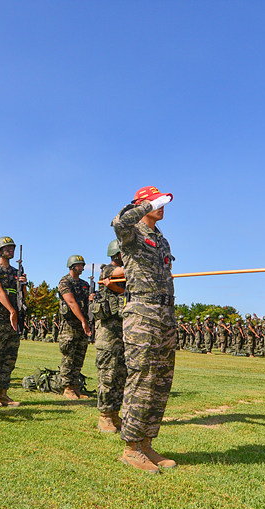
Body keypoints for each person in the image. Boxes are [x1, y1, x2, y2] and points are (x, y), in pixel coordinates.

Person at [111, 185, 177, 472]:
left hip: (164, 312)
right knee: (142, 377)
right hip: (142, 312)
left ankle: (146, 443)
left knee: (160, 380)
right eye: (155, 202)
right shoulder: (133, 232)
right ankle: (130, 447)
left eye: (163, 202)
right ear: (141, 205)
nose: (161, 206)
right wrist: (145, 206)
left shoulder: (160, 239)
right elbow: (118, 222)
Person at [0, 236, 26, 407]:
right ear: (0, 250)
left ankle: (3, 393)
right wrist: (11, 311)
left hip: (13, 322)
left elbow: (23, 297)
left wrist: (23, 284)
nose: (10, 250)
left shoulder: (17, 271)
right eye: (7, 248)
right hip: (0, 320)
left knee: (9, 359)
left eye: (12, 248)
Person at [91, 239, 127, 432]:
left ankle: (115, 414)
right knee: (107, 375)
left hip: (122, 333)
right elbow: (120, 273)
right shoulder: (107, 270)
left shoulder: (126, 276)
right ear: (117, 254)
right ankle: (104, 416)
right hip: (108, 334)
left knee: (120, 375)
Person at [57, 255, 92, 400]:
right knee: (69, 357)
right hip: (70, 325)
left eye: (83, 265)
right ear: (72, 266)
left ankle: (75, 387)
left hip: (82, 326)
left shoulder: (85, 284)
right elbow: (71, 302)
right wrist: (83, 320)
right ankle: (67, 387)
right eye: (79, 265)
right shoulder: (65, 281)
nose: (82, 267)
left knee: (79, 357)